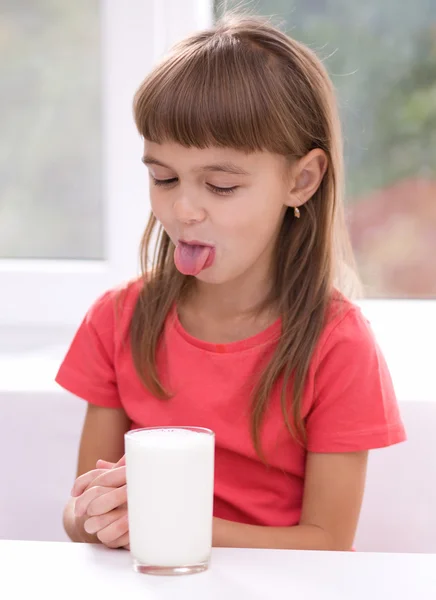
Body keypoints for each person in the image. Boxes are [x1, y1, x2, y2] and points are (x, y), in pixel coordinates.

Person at [56, 13, 406, 552]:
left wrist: (172, 523)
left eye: (220, 186)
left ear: (301, 180)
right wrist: (99, 516)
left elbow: (328, 543)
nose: (183, 209)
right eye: (163, 177)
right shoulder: (118, 319)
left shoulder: (337, 344)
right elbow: (79, 516)